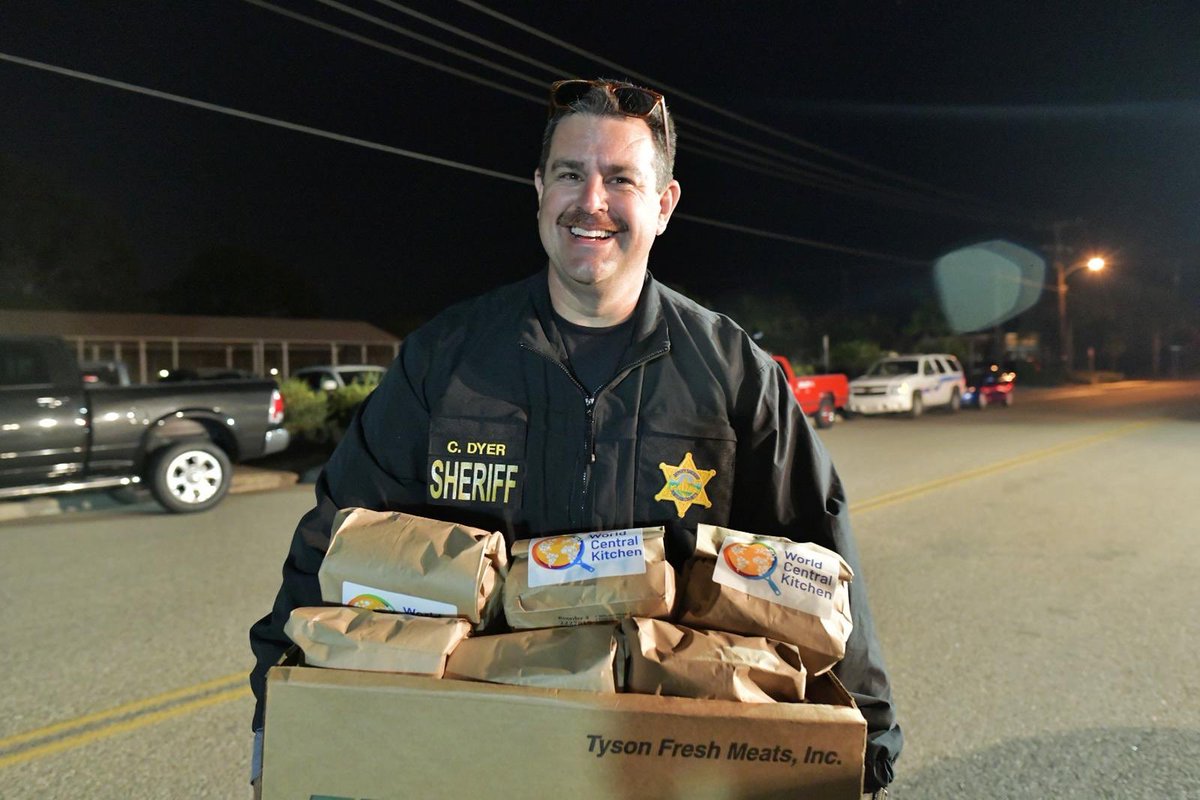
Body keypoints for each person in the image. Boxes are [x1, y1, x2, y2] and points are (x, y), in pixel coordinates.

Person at [248, 78, 902, 796]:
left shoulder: (732, 371)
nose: (590, 201)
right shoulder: (447, 358)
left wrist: (864, 736)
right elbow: (336, 535)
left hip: (659, 753)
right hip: (482, 742)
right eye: (569, 174)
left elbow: (817, 555)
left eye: (620, 179)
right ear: (538, 189)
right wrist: (274, 709)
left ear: (664, 204)